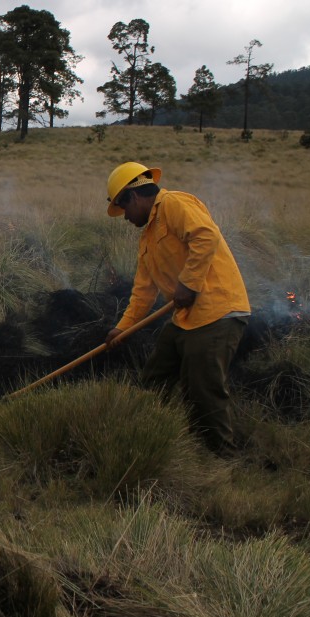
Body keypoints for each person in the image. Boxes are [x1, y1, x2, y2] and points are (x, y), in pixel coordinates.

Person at [103, 161, 250, 455]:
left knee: (202, 390)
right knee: (154, 379)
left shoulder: (173, 203)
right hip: (185, 319)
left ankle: (223, 459)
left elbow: (206, 235)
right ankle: (144, 440)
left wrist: (190, 283)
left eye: (124, 209)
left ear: (133, 197)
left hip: (216, 313)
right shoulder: (147, 236)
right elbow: (143, 290)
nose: (125, 218)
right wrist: (123, 327)